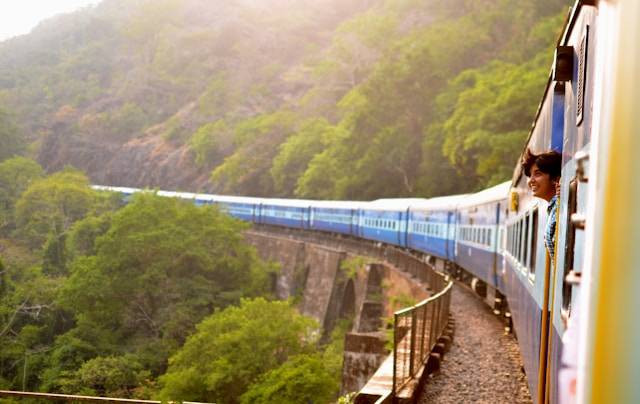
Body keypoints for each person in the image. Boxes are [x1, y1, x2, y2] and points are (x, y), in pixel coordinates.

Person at [521, 148, 562, 260]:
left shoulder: (561, 208)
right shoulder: (555, 208)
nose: (530, 181)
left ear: (556, 178)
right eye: (530, 175)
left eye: (537, 174)